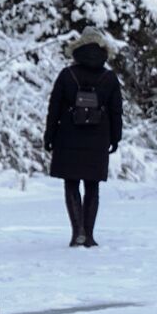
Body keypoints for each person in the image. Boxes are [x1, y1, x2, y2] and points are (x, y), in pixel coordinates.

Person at [44, 30, 123, 246]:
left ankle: (76, 231)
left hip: (68, 135)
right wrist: (116, 138)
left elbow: (54, 109)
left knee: (71, 183)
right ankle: (89, 235)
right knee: (92, 185)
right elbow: (117, 111)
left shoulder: (66, 75)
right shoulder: (110, 78)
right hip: (99, 138)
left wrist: (49, 136)